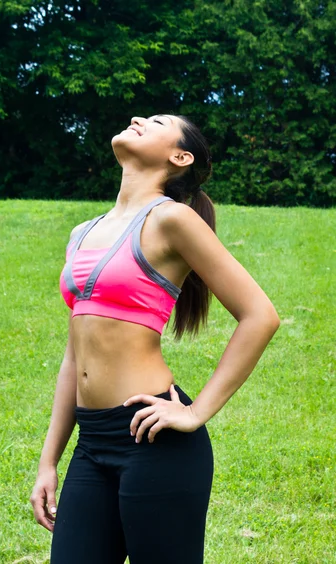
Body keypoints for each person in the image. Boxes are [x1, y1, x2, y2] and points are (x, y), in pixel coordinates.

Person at [29, 113, 281, 563]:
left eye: (157, 120)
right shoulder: (81, 233)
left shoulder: (173, 220)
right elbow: (75, 355)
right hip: (92, 444)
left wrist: (196, 412)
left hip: (153, 441)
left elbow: (260, 315)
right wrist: (49, 461)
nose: (137, 119)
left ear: (179, 157)